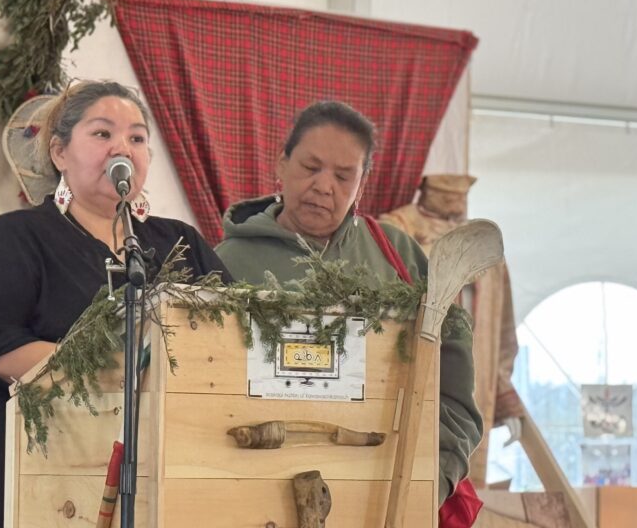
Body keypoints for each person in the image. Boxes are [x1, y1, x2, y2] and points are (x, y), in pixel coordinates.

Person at [0, 81, 231, 528]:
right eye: (102, 134)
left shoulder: (179, 241)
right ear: (60, 153)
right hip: (26, 465)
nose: (123, 147)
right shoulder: (16, 238)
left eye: (137, 138)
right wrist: (122, 373)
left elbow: (234, 332)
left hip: (160, 471)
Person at [215, 101, 483, 509]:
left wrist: (433, 480)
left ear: (363, 183)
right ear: (281, 164)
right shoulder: (225, 264)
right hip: (248, 495)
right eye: (310, 167)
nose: (325, 186)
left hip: (378, 497)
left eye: (344, 176)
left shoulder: (398, 257)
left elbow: (453, 390)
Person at [381, 174, 526, 488]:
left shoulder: (484, 243)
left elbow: (503, 324)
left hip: (476, 375)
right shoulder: (396, 231)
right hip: (414, 369)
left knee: (464, 478)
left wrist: (504, 393)